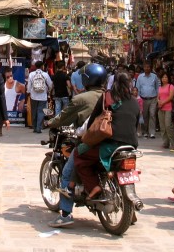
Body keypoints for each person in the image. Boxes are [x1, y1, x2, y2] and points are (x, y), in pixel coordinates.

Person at [48, 62, 109, 228]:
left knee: (67, 173)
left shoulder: (81, 98)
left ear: (86, 79)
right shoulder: (110, 96)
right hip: (111, 142)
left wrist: (49, 123)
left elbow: (63, 117)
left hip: (89, 142)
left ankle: (66, 214)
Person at [74, 71, 140, 204]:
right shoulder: (135, 102)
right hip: (131, 145)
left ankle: (94, 187)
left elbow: (92, 121)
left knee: (79, 155)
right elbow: (136, 124)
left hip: (111, 144)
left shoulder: (107, 97)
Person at [26, 61, 53, 134]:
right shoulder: (45, 74)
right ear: (42, 66)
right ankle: (39, 128)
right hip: (43, 96)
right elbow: (50, 84)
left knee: (34, 111)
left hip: (33, 96)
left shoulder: (31, 74)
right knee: (41, 112)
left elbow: (29, 85)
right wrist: (48, 90)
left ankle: (34, 127)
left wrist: (29, 92)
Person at [135, 61, 160, 139]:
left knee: (152, 115)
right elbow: (137, 88)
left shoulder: (154, 77)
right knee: (144, 116)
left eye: (148, 67)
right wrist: (138, 98)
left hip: (153, 99)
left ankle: (152, 132)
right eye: (145, 67)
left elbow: (157, 87)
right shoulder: (140, 77)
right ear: (144, 68)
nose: (147, 68)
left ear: (151, 68)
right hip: (143, 99)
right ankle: (145, 131)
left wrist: (157, 97)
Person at [157, 72, 174, 149]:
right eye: (163, 77)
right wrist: (159, 102)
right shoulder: (160, 87)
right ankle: (165, 142)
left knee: (168, 126)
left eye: (166, 77)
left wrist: (163, 102)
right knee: (162, 127)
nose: (164, 79)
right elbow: (158, 96)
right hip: (161, 108)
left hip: (168, 108)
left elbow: (171, 97)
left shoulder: (171, 86)